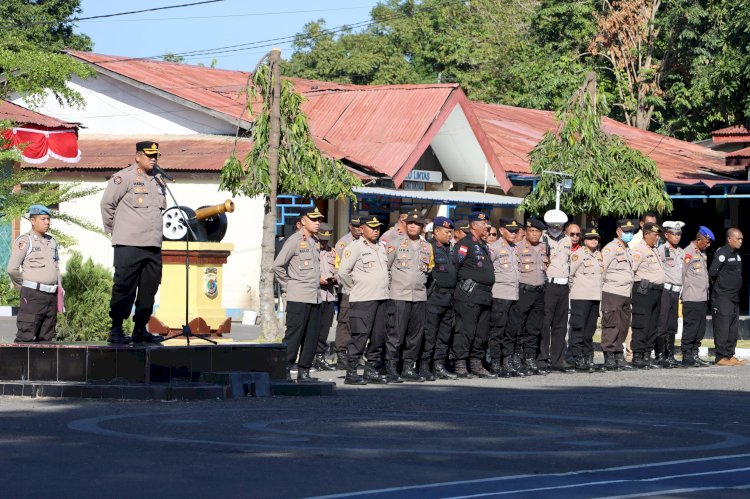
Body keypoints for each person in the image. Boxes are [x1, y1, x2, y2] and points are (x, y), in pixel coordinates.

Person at [100, 141, 167, 345]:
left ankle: (140, 329)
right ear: (138, 156)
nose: (153, 159)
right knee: (124, 287)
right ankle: (117, 329)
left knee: (149, 289)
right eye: (149, 155)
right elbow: (107, 205)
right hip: (128, 243)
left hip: (153, 244)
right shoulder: (124, 177)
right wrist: (116, 231)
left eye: (156, 155)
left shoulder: (159, 180)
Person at [273, 207, 325, 382]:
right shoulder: (294, 241)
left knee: (311, 335)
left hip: (315, 296)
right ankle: (285, 369)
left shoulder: (316, 242)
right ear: (303, 221)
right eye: (314, 219)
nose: (318, 222)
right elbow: (278, 266)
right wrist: (289, 285)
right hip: (298, 297)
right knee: (294, 334)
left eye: (319, 219)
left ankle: (304, 371)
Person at [338, 215, 390, 385]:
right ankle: (351, 371)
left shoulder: (380, 247)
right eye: (372, 227)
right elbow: (343, 272)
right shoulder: (355, 247)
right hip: (363, 299)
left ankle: (371, 370)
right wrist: (353, 289)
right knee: (360, 335)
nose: (376, 230)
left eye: (378, 228)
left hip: (381, 297)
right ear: (361, 229)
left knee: (378, 336)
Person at [384, 210, 434, 382]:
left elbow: (428, 271)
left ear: (422, 227)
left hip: (419, 296)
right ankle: (391, 367)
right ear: (405, 225)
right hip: (399, 295)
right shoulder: (395, 243)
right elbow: (386, 269)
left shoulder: (427, 247)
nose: (413, 226)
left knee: (415, 334)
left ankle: (408, 367)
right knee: (396, 334)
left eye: (417, 224)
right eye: (410, 223)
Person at [6, 205, 60, 343]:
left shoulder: (52, 241)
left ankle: (44, 365)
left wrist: (59, 289)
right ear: (32, 221)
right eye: (43, 219)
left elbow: (56, 267)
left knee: (47, 337)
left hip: (51, 297)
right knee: (26, 335)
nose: (47, 222)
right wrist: (24, 287)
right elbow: (12, 269)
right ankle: (20, 365)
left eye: (48, 219)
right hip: (33, 296)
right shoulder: (25, 241)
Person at [452, 211, 496, 378]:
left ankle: (476, 363)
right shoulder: (465, 244)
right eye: (483, 224)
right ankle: (460, 363)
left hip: (484, 295)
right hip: (469, 295)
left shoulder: (482, 245)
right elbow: (455, 266)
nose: (486, 226)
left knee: (481, 332)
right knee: (466, 330)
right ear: (474, 226)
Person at [505, 218, 548, 375]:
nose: (534, 234)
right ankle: (516, 357)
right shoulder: (518, 248)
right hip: (523, 291)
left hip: (539, 291)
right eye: (531, 231)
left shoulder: (544, 248)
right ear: (526, 232)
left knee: (534, 327)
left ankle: (530, 358)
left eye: (537, 231)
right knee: (518, 326)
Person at [420, 216, 458, 380]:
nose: (450, 235)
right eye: (447, 232)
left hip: (449, 298)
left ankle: (439, 366)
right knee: (430, 334)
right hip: (435, 297)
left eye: (451, 232)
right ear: (436, 232)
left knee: (444, 334)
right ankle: (424, 366)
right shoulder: (429, 248)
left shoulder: (449, 248)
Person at [600, 219, 636, 370]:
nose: (629, 234)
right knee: (611, 324)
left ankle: (618, 353)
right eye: (626, 231)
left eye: (631, 231)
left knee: (623, 325)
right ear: (618, 232)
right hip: (612, 291)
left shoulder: (627, 248)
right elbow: (602, 271)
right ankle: (609, 354)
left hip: (625, 293)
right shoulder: (610, 248)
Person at [542, 209, 574, 373]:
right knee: (545, 323)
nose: (556, 228)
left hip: (563, 286)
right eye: (553, 226)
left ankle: (557, 360)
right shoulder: (542, 238)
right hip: (549, 284)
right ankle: (542, 359)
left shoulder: (567, 240)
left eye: (559, 226)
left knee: (560, 325)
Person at [630, 222, 666, 369]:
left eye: (658, 235)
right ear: (646, 235)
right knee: (642, 323)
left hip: (656, 291)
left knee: (652, 324)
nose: (657, 237)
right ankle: (638, 354)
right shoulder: (639, 249)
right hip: (644, 290)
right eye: (655, 234)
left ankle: (646, 353)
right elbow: (632, 270)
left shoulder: (654, 249)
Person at [488, 218, 521, 377]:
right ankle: (495, 362)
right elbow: (488, 269)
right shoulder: (494, 248)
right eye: (510, 230)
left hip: (514, 294)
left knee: (511, 330)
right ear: (502, 231)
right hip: (500, 294)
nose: (513, 233)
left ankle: (507, 361)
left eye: (515, 231)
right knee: (498, 330)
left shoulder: (515, 248)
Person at [568, 227, 604, 372]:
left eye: (595, 238)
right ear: (584, 240)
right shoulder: (578, 255)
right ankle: (577, 357)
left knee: (590, 329)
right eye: (590, 238)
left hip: (595, 297)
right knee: (578, 328)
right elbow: (570, 276)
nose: (593, 241)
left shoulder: (599, 255)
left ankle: (588, 357)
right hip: (581, 297)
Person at [709, 228, 745, 366]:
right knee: (722, 327)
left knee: (732, 328)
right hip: (722, 297)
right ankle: (720, 357)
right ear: (730, 239)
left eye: (742, 239)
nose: (741, 241)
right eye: (738, 238)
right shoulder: (722, 253)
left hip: (734, 297)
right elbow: (712, 272)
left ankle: (729, 355)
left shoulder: (737, 255)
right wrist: (721, 287)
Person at [332, 213, 363, 368]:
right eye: (355, 226)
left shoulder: (367, 242)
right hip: (347, 290)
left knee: (359, 323)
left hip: (364, 291)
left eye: (360, 226)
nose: (358, 229)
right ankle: (342, 355)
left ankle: (355, 355)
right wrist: (349, 286)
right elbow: (338, 269)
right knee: (345, 322)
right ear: (350, 226)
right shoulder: (343, 244)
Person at [680, 226, 714, 367]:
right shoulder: (687, 253)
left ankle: (695, 353)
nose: (708, 245)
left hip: (702, 297)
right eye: (707, 242)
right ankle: (687, 355)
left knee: (700, 329)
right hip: (691, 297)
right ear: (699, 239)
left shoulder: (702, 253)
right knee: (691, 328)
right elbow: (681, 274)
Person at [656, 221, 686, 368]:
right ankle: (660, 355)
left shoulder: (681, 252)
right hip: (665, 291)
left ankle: (670, 354)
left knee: (672, 324)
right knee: (662, 323)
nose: (677, 237)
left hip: (676, 291)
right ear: (667, 235)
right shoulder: (661, 250)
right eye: (674, 234)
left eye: (679, 234)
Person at [312, 223, 337, 372]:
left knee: (324, 329)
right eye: (322, 239)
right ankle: (310, 356)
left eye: (326, 240)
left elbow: (340, 270)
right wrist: (318, 279)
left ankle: (320, 357)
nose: (324, 243)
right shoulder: (310, 250)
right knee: (313, 328)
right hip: (315, 295)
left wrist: (335, 278)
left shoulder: (333, 252)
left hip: (329, 296)